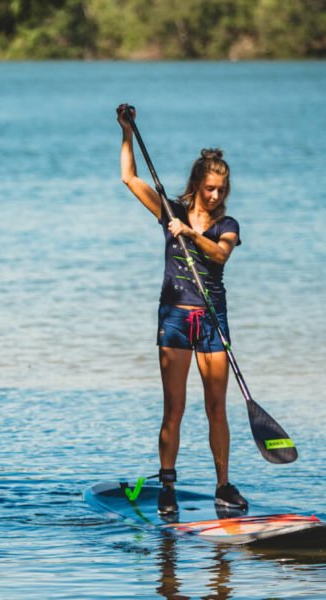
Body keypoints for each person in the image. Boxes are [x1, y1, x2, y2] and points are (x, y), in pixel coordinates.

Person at [116, 104, 248, 515]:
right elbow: (129, 178)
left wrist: (189, 232)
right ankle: (167, 487)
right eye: (210, 188)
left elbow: (221, 256)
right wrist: (125, 131)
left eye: (221, 190)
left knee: (216, 408)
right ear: (197, 183)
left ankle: (223, 487)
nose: (215, 196)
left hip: (212, 320)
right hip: (175, 318)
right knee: (174, 407)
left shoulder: (227, 225)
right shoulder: (169, 211)